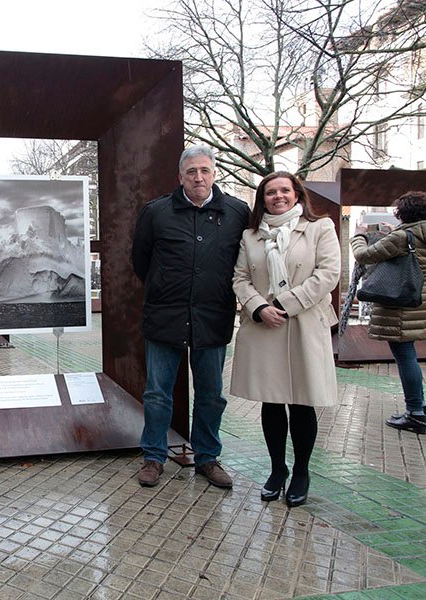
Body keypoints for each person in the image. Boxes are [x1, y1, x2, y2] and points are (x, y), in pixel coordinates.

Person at [131, 145, 250, 488]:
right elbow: (141, 260)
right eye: (191, 172)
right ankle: (153, 457)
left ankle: (208, 458)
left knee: (212, 394)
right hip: (165, 317)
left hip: (213, 317)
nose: (198, 177)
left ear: (214, 174)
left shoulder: (237, 212)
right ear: (180, 176)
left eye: (204, 170)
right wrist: (166, 287)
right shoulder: (156, 212)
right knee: (157, 393)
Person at [230, 171, 340, 508]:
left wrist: (285, 304)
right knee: (272, 401)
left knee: (302, 402)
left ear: (297, 195)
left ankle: (302, 472)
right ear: (262, 199)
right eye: (270, 192)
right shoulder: (251, 236)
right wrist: (260, 307)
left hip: (305, 325)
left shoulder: (320, 228)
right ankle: (278, 469)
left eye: (284, 191)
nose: (278, 197)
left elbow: (328, 274)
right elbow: (240, 278)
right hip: (266, 327)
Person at [350, 191, 426, 435]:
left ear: (402, 213)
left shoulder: (403, 237)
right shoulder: (413, 234)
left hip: (402, 306)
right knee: (411, 356)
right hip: (422, 303)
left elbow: (363, 255)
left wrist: (359, 235)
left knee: (405, 357)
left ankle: (415, 412)